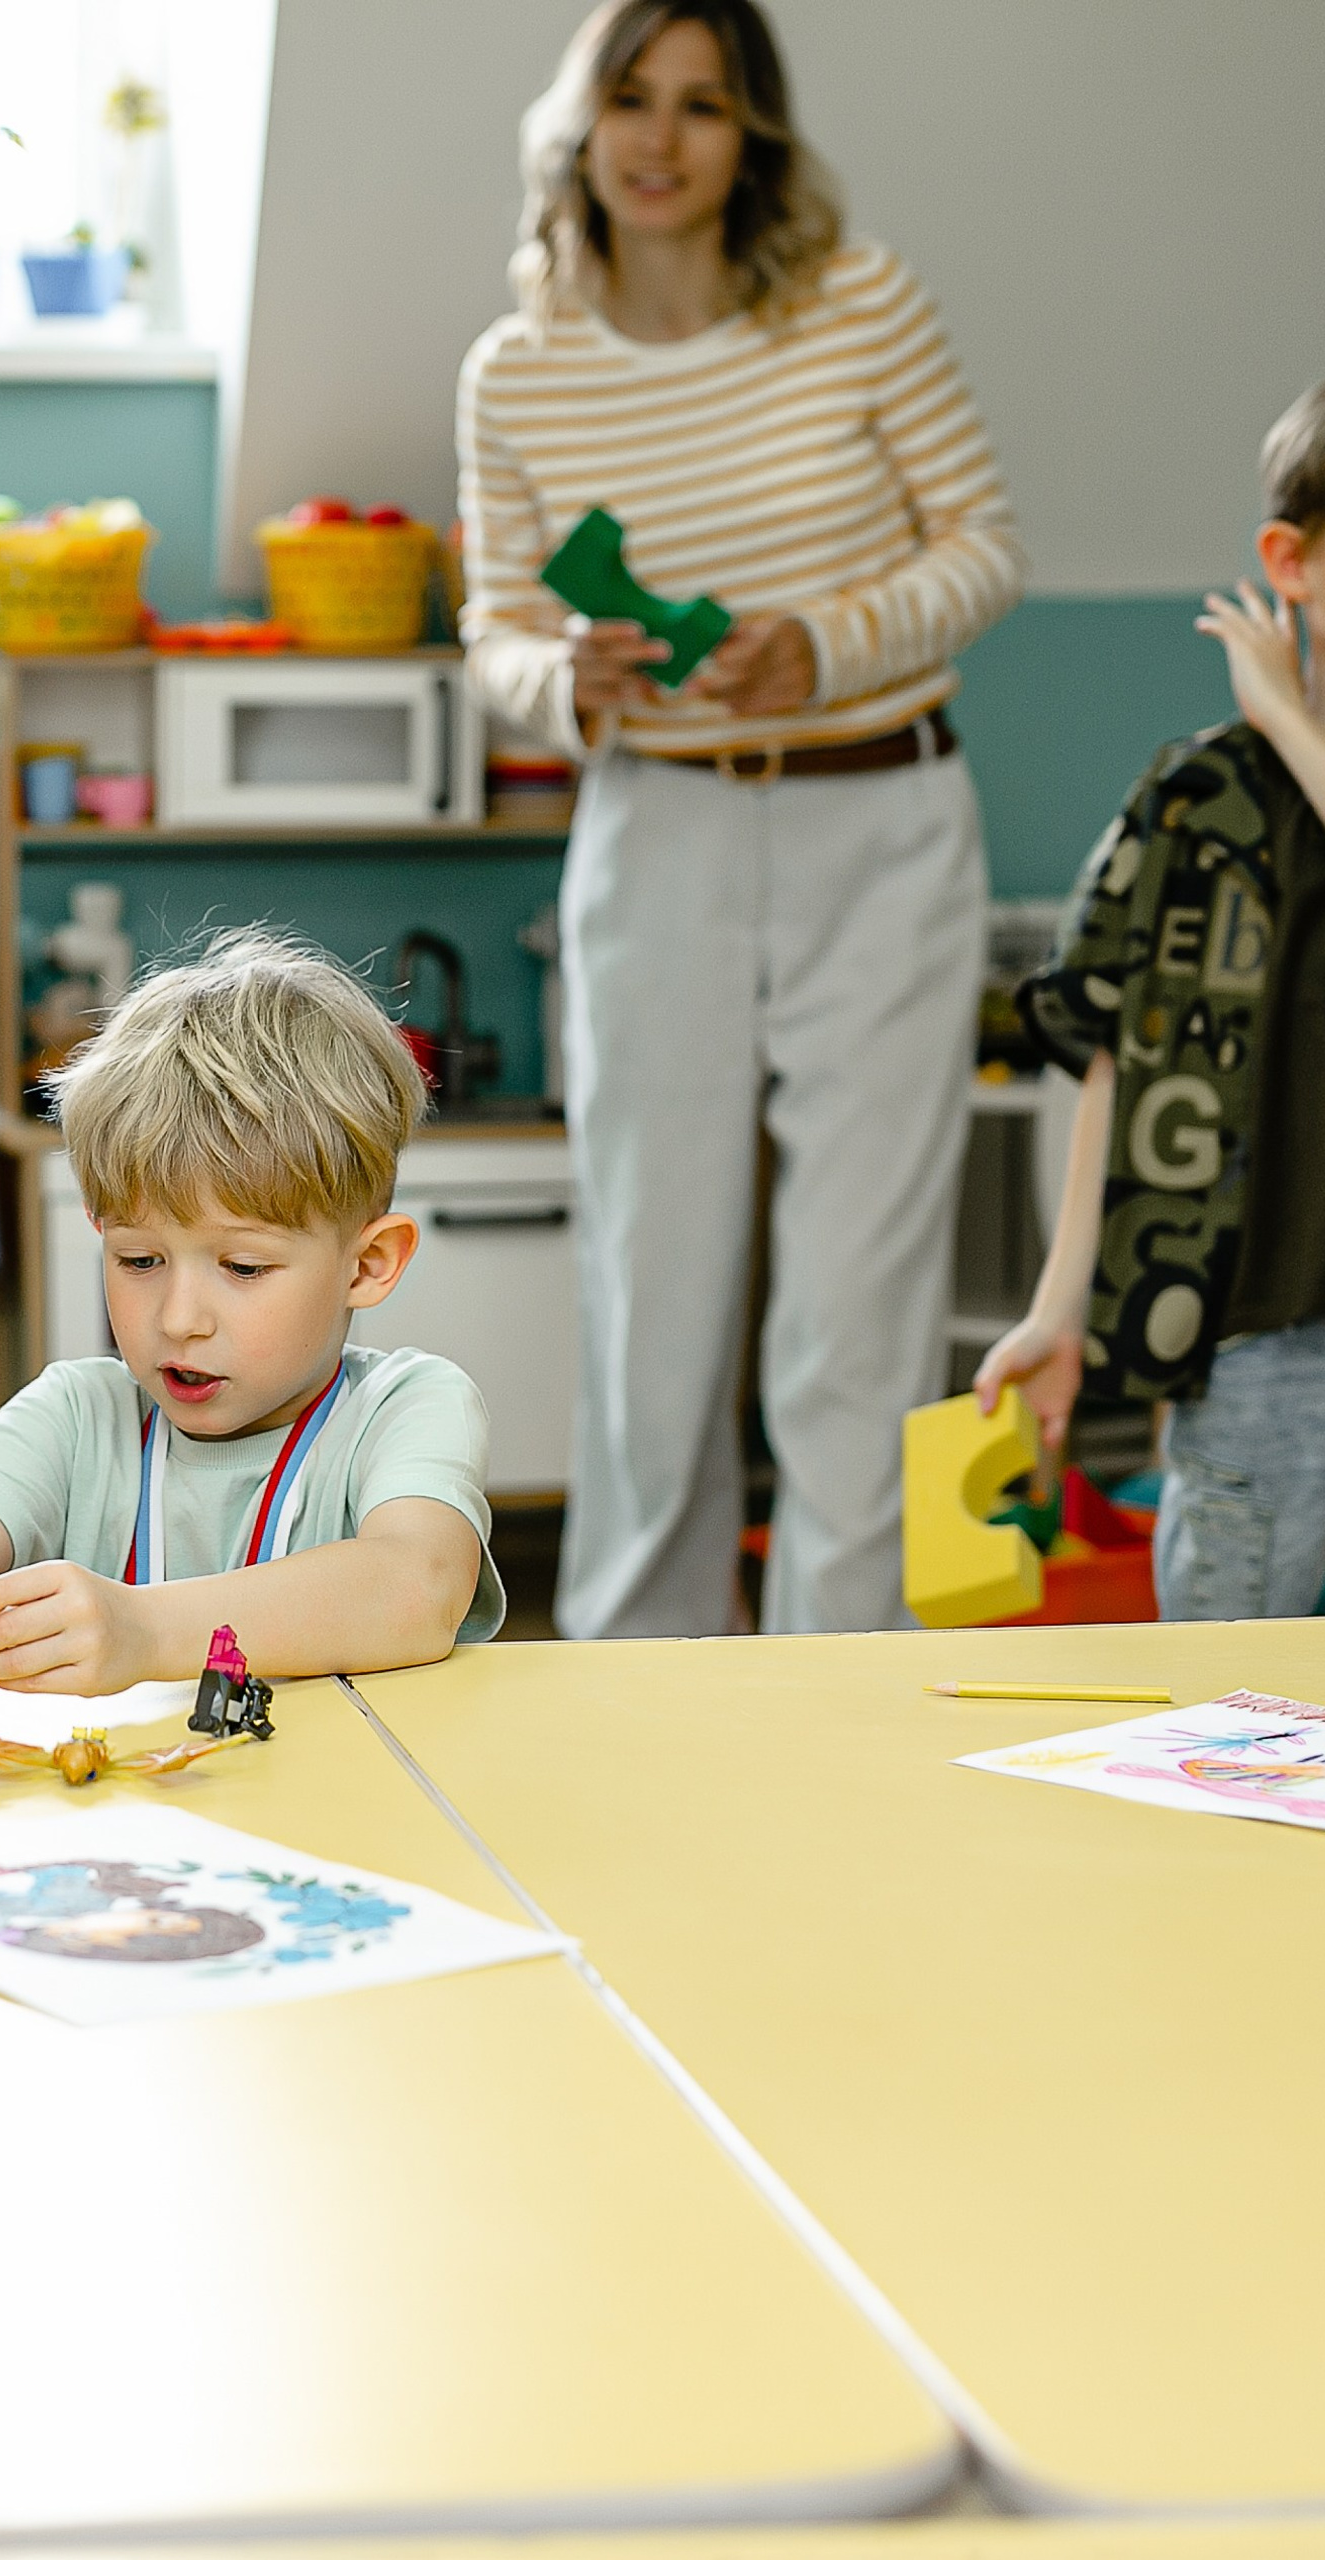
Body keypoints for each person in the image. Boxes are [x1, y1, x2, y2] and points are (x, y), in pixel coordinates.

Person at [460, 0, 1023, 1638]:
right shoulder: (520, 372)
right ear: (578, 122)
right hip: (660, 839)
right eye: (631, 99)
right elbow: (494, 629)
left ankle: (842, 1697)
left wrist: (825, 645)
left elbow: (986, 546)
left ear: (751, 139)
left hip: (886, 827)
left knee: (858, 1321)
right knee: (654, 1300)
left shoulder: (859, 302)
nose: (659, 140)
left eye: (703, 107)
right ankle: (642, 1687)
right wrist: (572, 681)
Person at [0, 932, 502, 1715]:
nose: (179, 1319)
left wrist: (143, 1631)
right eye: (139, 1260)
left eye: (243, 1268)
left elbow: (417, 1587)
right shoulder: (75, 1417)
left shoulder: (407, 1407)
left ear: (368, 1266)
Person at [976, 386, 1325, 1621]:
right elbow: (1119, 1062)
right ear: (1291, 562)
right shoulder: (1196, 802)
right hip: (1253, 1347)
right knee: (1231, 1728)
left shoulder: (1270, 739)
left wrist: (1288, 712)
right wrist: (1058, 1304)